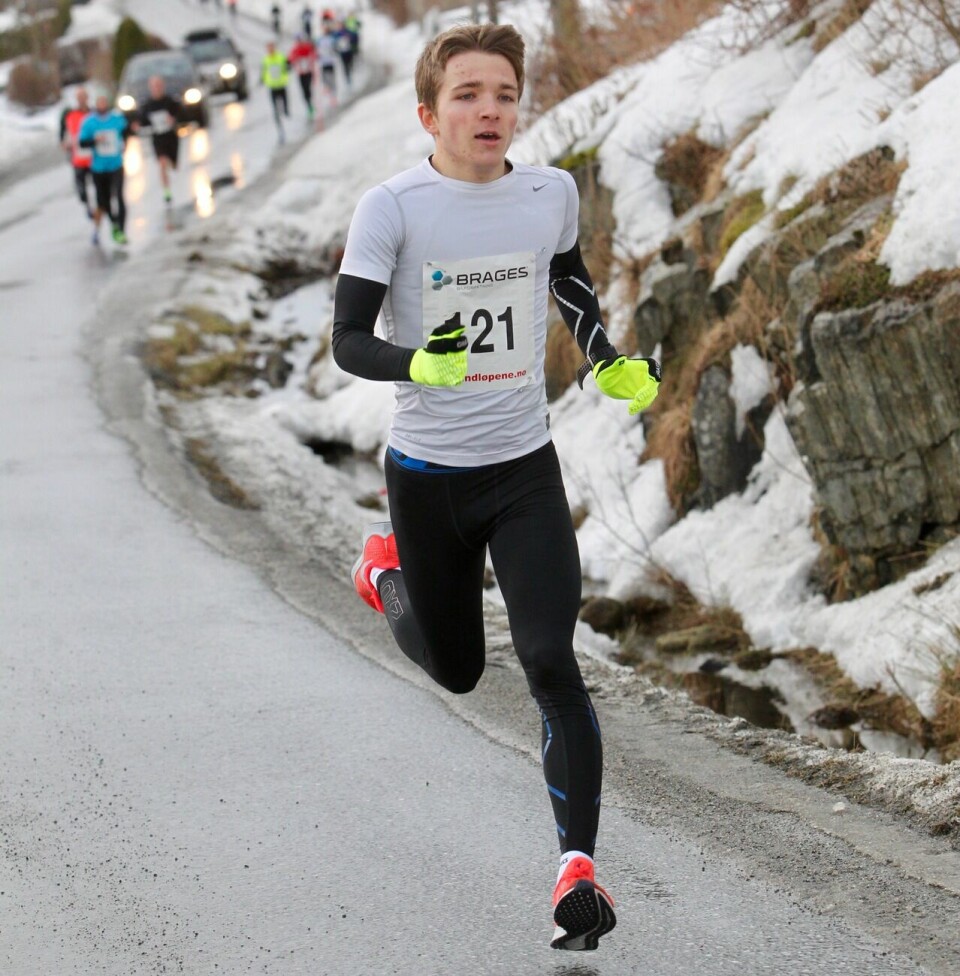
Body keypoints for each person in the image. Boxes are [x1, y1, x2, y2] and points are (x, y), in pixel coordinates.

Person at [332, 23, 661, 952]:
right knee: (461, 672)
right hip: (428, 480)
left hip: (522, 469)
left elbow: (568, 280)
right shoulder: (391, 207)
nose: (490, 111)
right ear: (429, 111)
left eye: (506, 94)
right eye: (469, 94)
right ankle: (383, 574)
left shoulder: (547, 192)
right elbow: (348, 338)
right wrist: (415, 366)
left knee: (551, 657)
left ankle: (576, 875)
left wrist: (605, 361)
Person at [78, 92, 131, 246]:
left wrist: (125, 142)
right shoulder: (89, 122)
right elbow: (82, 143)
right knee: (104, 201)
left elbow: (127, 131)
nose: (102, 104)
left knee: (119, 196)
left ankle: (121, 229)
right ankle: (114, 223)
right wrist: (95, 140)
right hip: (99, 168)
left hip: (116, 164)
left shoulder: (116, 119)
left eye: (104, 101)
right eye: (99, 102)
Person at [135, 75, 182, 205]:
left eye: (159, 85)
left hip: (171, 136)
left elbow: (180, 112)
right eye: (154, 86)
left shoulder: (170, 101)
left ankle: (171, 167)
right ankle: (167, 191)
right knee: (162, 163)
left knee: (173, 165)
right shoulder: (148, 105)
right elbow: (142, 121)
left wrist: (173, 119)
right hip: (158, 138)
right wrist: (137, 125)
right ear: (151, 88)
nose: (157, 88)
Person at [59, 86, 93, 222]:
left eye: (83, 96)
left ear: (87, 98)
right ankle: (87, 204)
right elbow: (63, 131)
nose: (81, 99)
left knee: (97, 184)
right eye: (79, 97)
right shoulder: (70, 115)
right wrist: (63, 142)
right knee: (81, 187)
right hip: (78, 156)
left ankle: (97, 205)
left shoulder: (93, 114)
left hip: (93, 156)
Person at [261, 40, 290, 141]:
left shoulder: (280, 57)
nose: (270, 49)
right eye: (268, 48)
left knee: (285, 102)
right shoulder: (266, 60)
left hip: (281, 84)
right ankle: (278, 117)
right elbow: (264, 71)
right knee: (275, 107)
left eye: (271, 47)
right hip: (272, 85)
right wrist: (262, 80)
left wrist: (288, 68)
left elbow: (287, 66)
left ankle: (286, 113)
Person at [288, 33, 317, 119]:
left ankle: (311, 103)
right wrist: (290, 63)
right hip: (301, 73)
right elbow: (291, 59)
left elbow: (314, 55)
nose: (299, 42)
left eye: (300, 40)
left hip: (308, 71)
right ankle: (309, 105)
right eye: (297, 41)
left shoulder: (307, 47)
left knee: (308, 88)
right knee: (304, 91)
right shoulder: (295, 50)